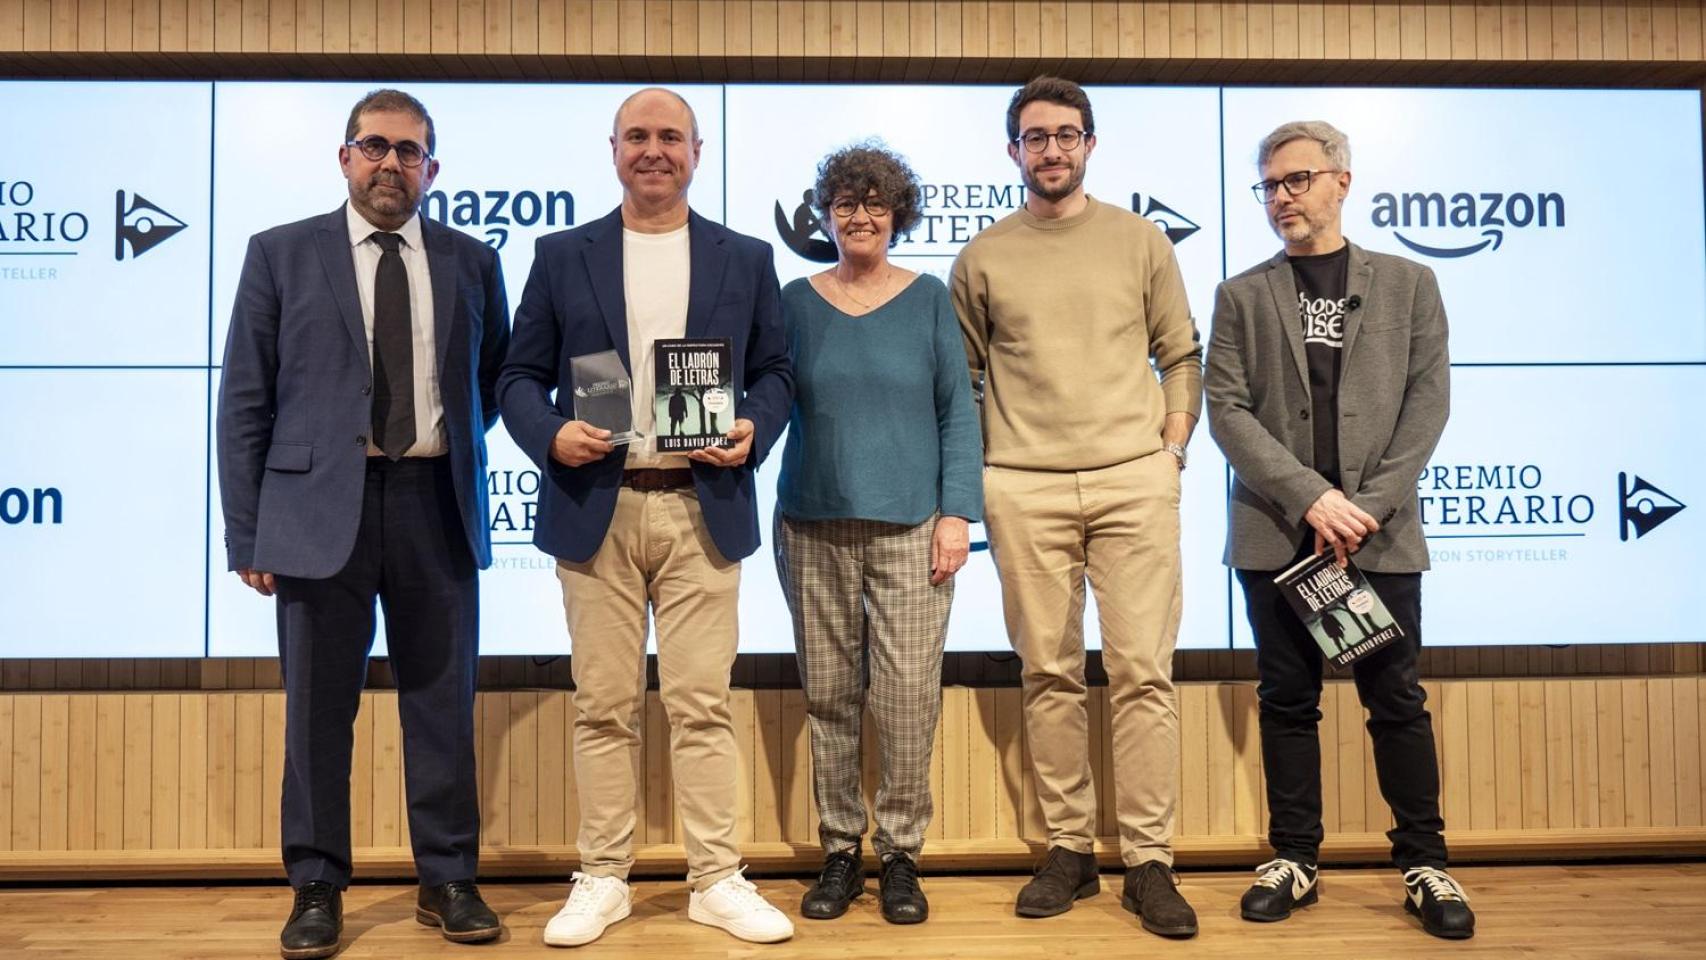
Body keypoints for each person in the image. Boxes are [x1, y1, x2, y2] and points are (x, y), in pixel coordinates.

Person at [497, 87, 795, 947]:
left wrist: (753, 427)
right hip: (598, 508)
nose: (653, 149)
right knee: (603, 707)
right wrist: (551, 433)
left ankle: (716, 878)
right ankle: (602, 876)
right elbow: (517, 376)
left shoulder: (744, 257)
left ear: (697, 151)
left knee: (702, 704)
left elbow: (775, 372)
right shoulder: (561, 254)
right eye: (638, 136)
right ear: (613, 148)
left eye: (671, 136)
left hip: (704, 509)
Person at [217, 88, 509, 960]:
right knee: (314, 713)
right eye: (375, 146)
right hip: (312, 517)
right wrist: (248, 535)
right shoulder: (279, 254)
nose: (392, 163)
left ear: (432, 169)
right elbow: (244, 402)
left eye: (409, 151)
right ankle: (316, 885)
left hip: (434, 505)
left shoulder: (473, 260)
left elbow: (492, 382)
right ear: (344, 157)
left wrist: (435, 444)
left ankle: (448, 878)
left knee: (441, 704)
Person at [1205, 119, 1475, 940]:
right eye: (1270, 186)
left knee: (1396, 701)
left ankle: (1425, 864)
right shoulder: (1239, 295)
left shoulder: (1408, 284)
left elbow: (1427, 404)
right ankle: (1294, 859)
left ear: (1341, 183)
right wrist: (1309, 498)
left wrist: (1366, 507)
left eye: (1297, 180)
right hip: (1277, 534)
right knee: (1287, 702)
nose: (1282, 198)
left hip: (1378, 537)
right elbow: (1227, 411)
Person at [950, 76, 1203, 939]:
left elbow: (1181, 352)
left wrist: (1170, 450)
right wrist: (984, 475)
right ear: (1012, 150)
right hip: (1023, 485)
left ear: (1091, 143)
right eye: (1035, 136)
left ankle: (1149, 860)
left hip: (1136, 477)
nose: (1051, 149)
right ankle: (1068, 849)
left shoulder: (1141, 241)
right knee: (1049, 673)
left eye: (1066, 134)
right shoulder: (982, 256)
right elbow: (963, 379)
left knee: (1143, 673)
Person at [776, 143, 983, 926]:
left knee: (904, 699)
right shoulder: (793, 302)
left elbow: (957, 412)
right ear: (825, 215)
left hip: (914, 527)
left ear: (898, 215)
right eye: (845, 203)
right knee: (829, 697)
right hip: (811, 523)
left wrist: (958, 512)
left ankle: (900, 855)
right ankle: (839, 850)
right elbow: (768, 401)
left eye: (876, 204)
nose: (860, 216)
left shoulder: (930, 298)